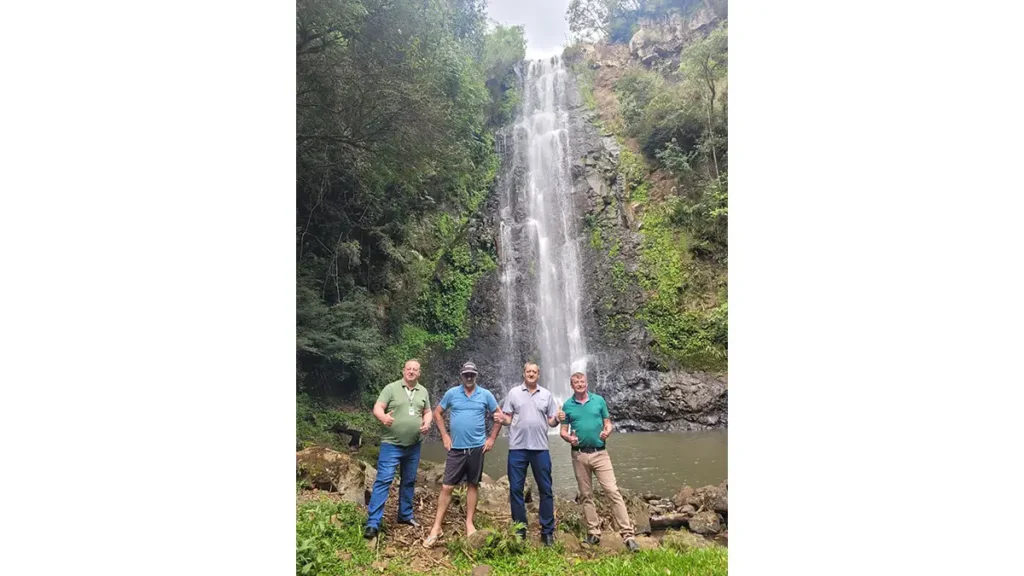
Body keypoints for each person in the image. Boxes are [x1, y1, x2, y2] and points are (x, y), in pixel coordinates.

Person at [423, 362, 502, 548]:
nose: (469, 377)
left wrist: (492, 438)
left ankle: (469, 523)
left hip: (477, 448)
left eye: (472, 374)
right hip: (456, 449)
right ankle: (436, 527)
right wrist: (444, 436)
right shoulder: (452, 393)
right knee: (446, 486)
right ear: (461, 375)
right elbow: (437, 413)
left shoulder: (485, 395)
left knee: (472, 485)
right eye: (466, 374)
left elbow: (499, 415)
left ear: (476, 375)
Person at [558, 371, 639, 552]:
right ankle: (593, 532)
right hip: (579, 455)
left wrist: (607, 431)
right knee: (586, 495)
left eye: (582, 381)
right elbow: (563, 431)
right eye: (576, 382)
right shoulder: (567, 405)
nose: (580, 384)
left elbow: (607, 423)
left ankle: (628, 534)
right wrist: (568, 438)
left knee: (612, 491)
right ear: (571, 386)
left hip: (600, 453)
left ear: (586, 383)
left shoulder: (599, 401)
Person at [492, 362, 560, 546]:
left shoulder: (546, 394)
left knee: (546, 489)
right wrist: (502, 419)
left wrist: (558, 419)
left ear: (539, 374)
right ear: (524, 374)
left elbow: (552, 421)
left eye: (534, 372)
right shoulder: (513, 393)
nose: (531, 374)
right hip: (517, 448)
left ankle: (547, 532)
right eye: (528, 371)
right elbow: (507, 418)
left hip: (540, 448)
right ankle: (520, 530)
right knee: (515, 489)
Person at [363, 359, 432, 540]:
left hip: (414, 445)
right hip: (391, 444)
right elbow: (378, 407)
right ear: (403, 371)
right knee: (384, 480)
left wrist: (427, 422)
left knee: (408, 481)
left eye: (415, 369)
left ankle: (405, 515)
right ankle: (373, 523)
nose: (411, 371)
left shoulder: (423, 391)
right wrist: (383, 418)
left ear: (419, 373)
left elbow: (427, 411)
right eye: (409, 368)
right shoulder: (391, 388)